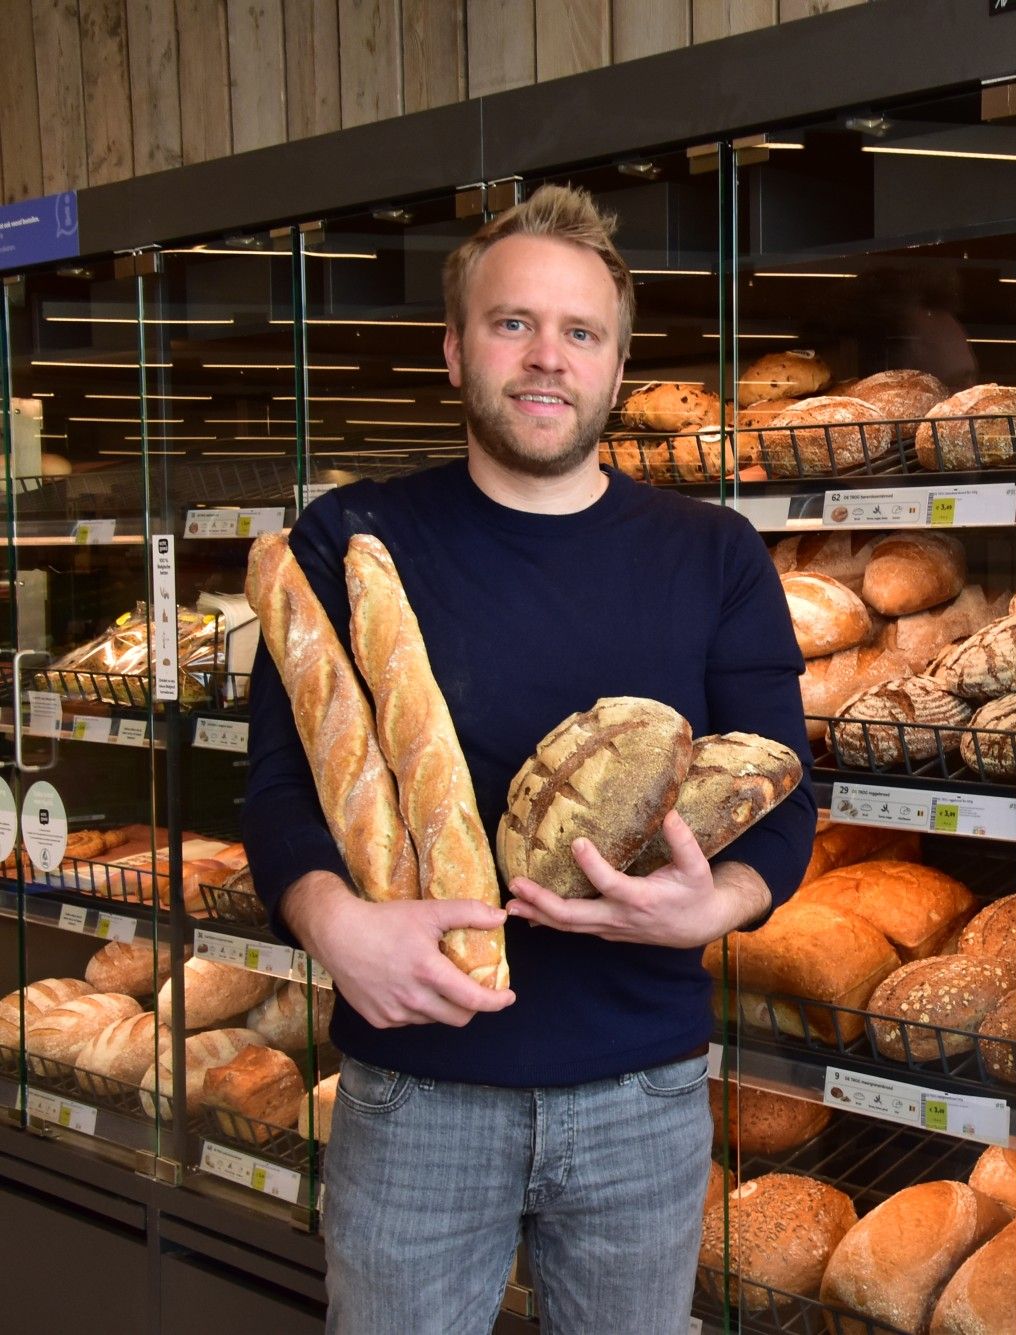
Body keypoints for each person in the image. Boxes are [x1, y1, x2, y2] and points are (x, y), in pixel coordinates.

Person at [241, 183, 814, 1334]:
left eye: (580, 332)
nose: (548, 356)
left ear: (616, 366)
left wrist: (716, 906)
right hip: (416, 1092)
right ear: (456, 351)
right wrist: (333, 924)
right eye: (513, 324)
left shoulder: (712, 553)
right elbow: (281, 787)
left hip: (640, 1095)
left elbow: (782, 792)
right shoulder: (352, 540)